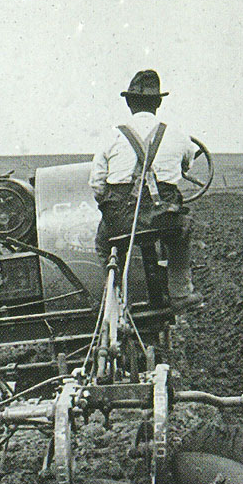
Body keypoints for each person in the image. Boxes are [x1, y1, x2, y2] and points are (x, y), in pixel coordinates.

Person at [89, 69, 203, 312]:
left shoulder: (111, 136)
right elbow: (187, 164)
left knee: (102, 243)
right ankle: (180, 293)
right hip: (164, 219)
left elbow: (97, 184)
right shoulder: (178, 134)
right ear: (158, 103)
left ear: (129, 103)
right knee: (181, 231)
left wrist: (110, 208)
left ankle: (115, 294)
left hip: (121, 221)